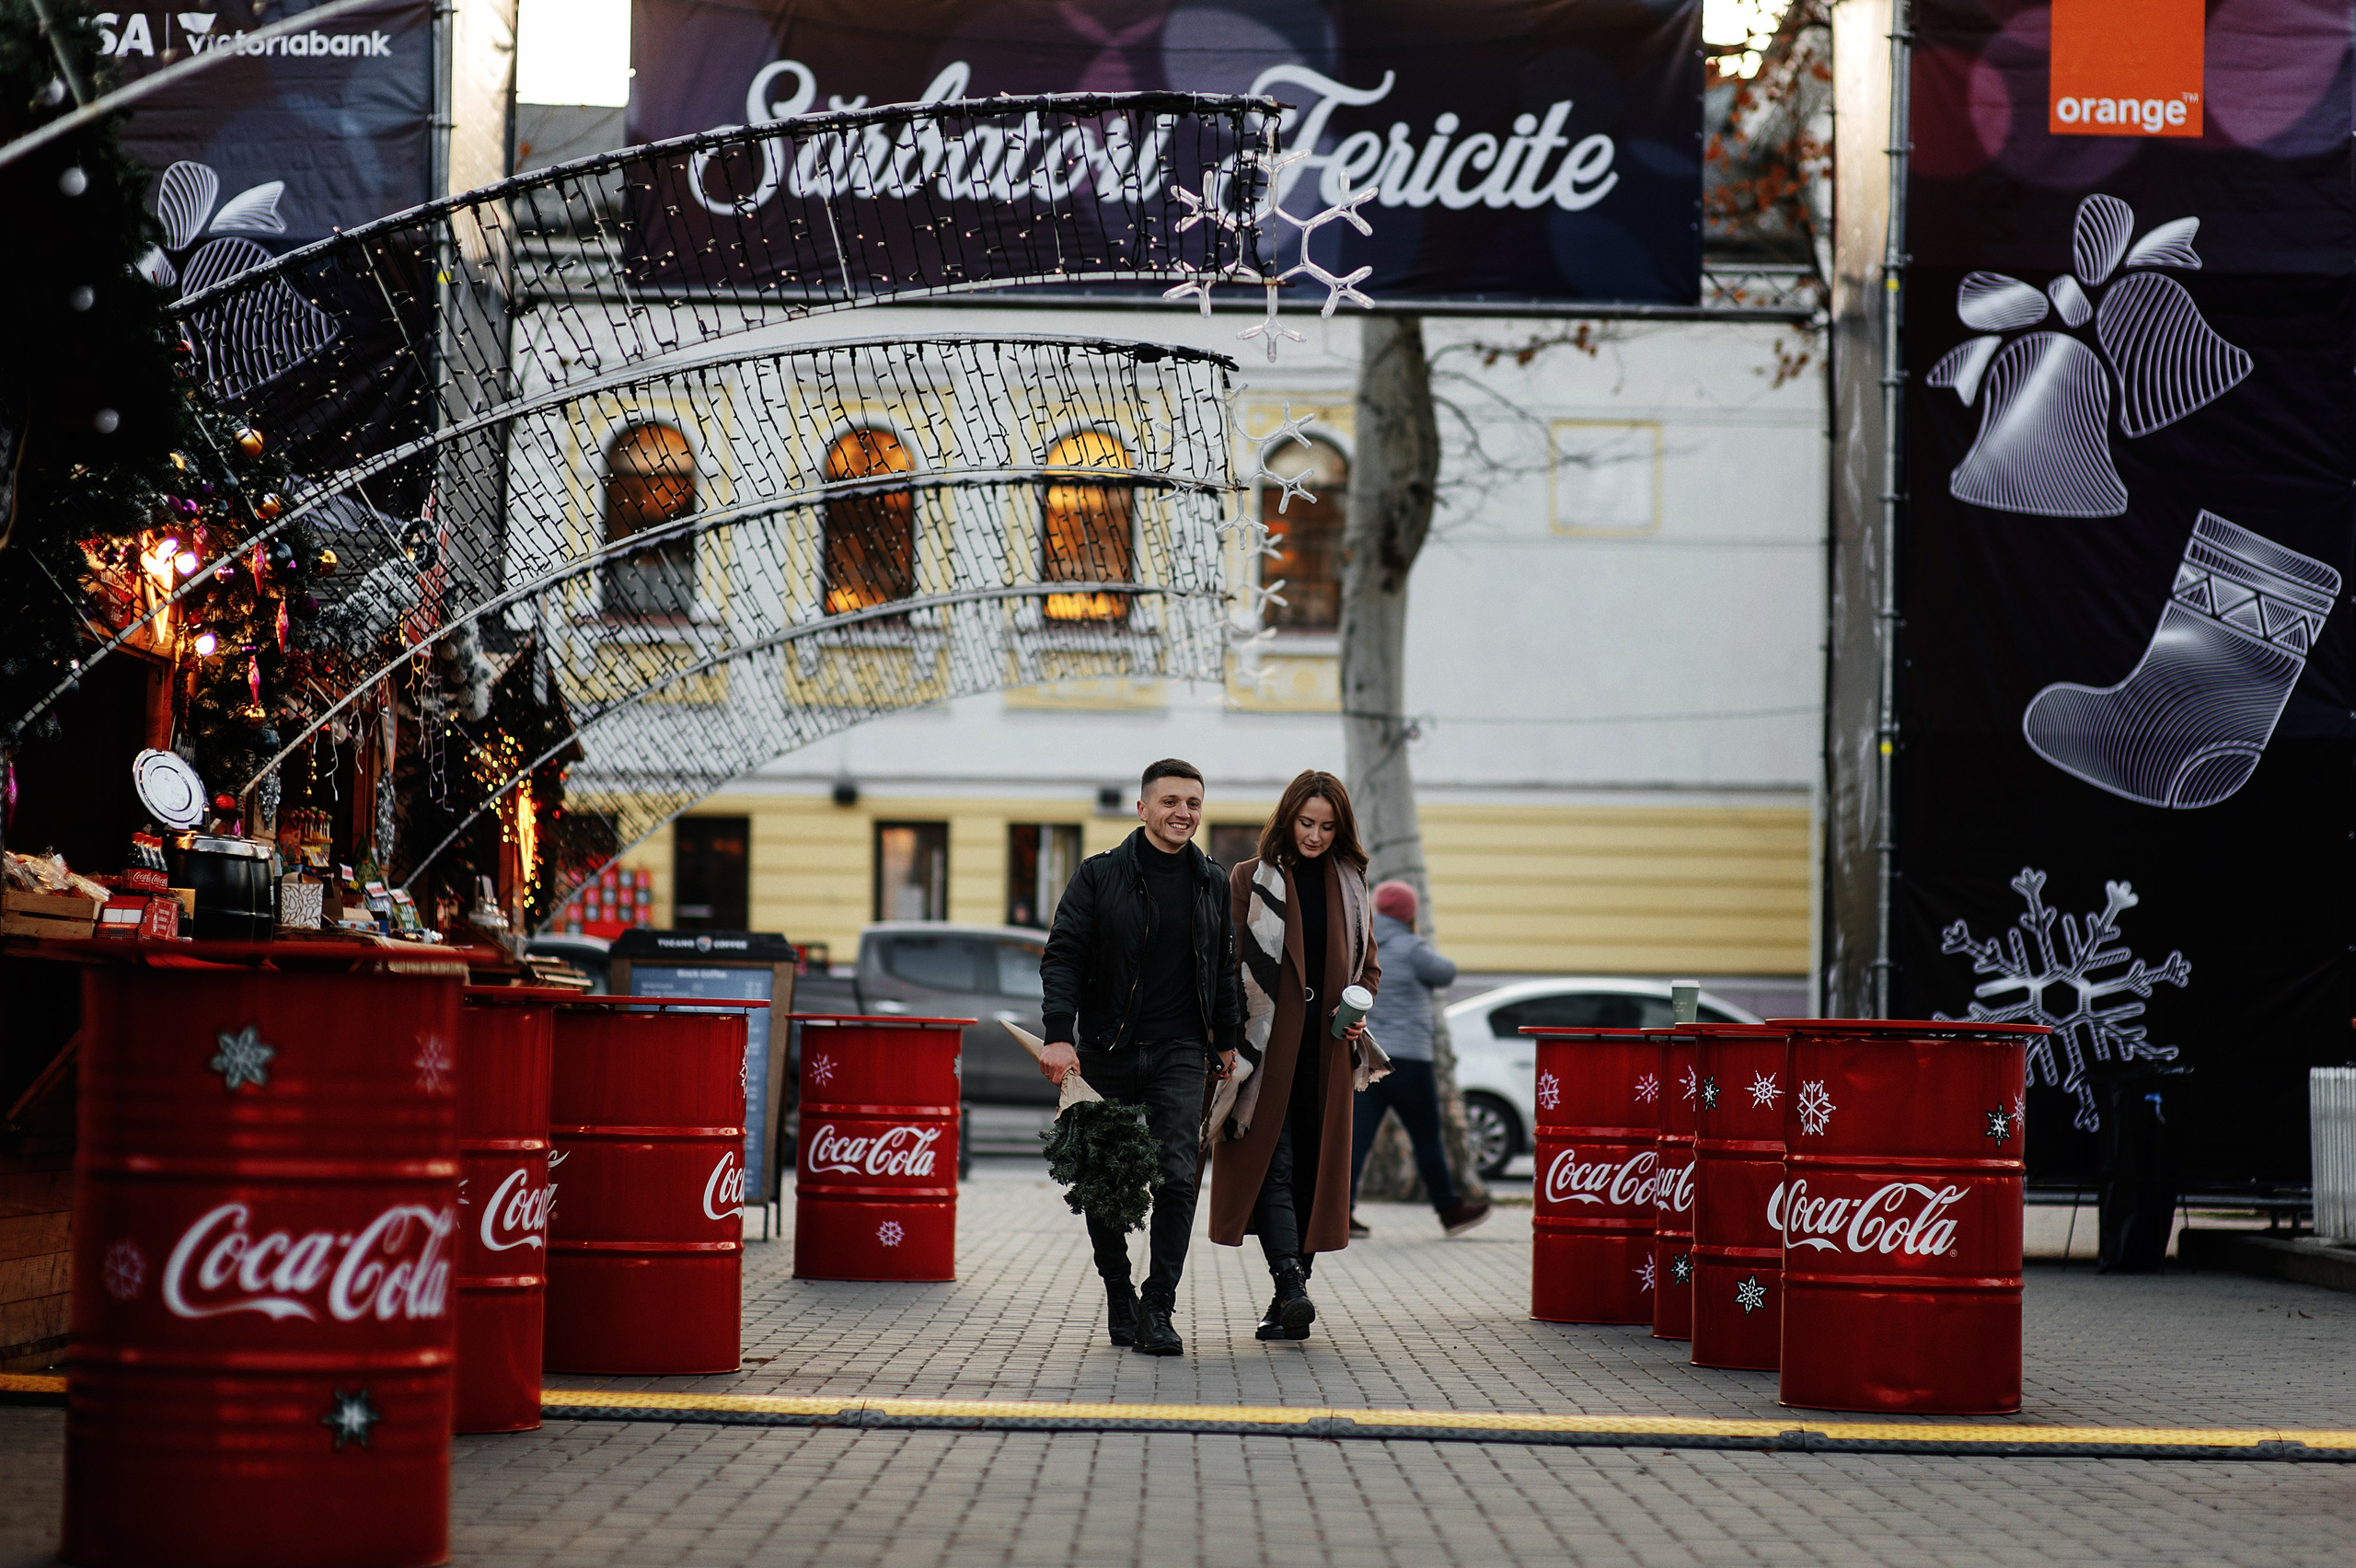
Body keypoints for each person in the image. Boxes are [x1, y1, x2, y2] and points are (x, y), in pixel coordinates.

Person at [1036, 758, 1242, 1357]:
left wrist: (1224, 1040)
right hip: (1107, 1048)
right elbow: (1064, 955)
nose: (1184, 813)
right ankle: (1119, 1292)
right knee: (1108, 1181)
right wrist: (1058, 1034)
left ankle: (1159, 1306)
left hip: (1182, 1051)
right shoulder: (1101, 876)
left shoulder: (1211, 880)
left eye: (1194, 803)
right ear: (1143, 808)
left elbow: (1222, 967)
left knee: (1178, 1175)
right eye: (1172, 801)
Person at [1208, 769, 1384, 1343]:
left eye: (1327, 827)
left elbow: (1369, 969)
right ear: (1287, 819)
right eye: (1306, 823)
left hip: (1329, 1052)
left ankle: (1290, 1299)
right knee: (1273, 1165)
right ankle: (1291, 1287)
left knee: (1312, 1170)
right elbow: (1227, 965)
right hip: (1266, 1050)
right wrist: (1228, 1040)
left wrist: (1360, 1010)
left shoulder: (1352, 880)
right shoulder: (1248, 878)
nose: (1315, 836)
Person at [1349, 881, 1492, 1239]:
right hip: (1410, 1060)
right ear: (1409, 913)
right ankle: (1450, 1210)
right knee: (1426, 1136)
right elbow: (1445, 972)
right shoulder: (1412, 947)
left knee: (1357, 1138)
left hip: (1373, 1057)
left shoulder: (1364, 944)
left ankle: (1341, 1213)